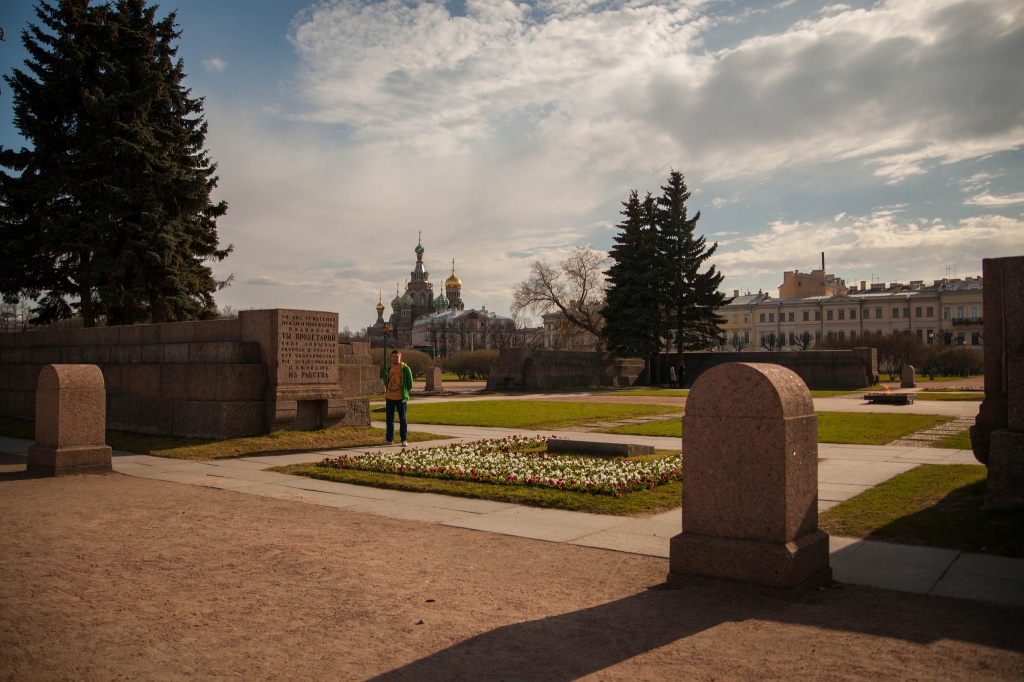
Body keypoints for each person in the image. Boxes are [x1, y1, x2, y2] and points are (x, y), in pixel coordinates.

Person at [382, 349, 414, 446]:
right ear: (391, 358)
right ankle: (389, 439)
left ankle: (404, 439)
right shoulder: (389, 368)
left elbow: (410, 383)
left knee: (403, 419)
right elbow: (385, 380)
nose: (395, 358)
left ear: (400, 357)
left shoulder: (405, 369)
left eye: (397, 357)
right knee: (389, 419)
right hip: (390, 397)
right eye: (393, 357)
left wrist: (404, 391)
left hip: (401, 398)